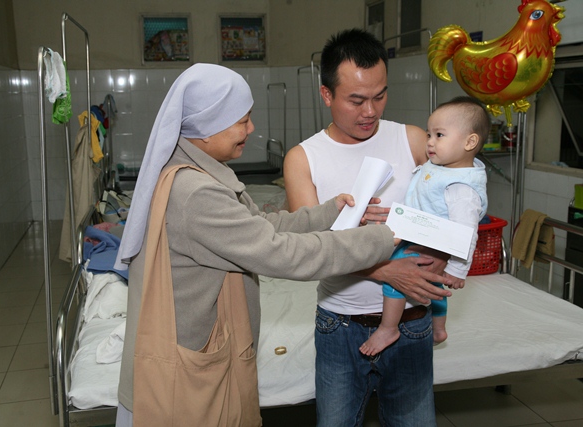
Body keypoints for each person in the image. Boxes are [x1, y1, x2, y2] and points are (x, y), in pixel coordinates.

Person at [113, 63, 400, 427]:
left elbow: (260, 227)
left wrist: (328, 213)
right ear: (206, 127)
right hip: (187, 371)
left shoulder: (199, 172)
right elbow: (280, 253)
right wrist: (378, 239)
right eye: (242, 120)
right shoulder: (196, 193)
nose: (251, 129)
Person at [283, 29, 452, 426]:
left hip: (412, 322)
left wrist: (444, 254)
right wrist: (387, 271)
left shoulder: (413, 141)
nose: (370, 111)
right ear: (327, 95)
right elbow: (309, 249)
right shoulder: (304, 158)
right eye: (357, 100)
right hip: (341, 325)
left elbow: (452, 206)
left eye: (380, 96)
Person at [359, 96, 489, 357]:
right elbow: (423, 201)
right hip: (419, 234)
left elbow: (466, 233)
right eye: (429, 134)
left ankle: (388, 328)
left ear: (469, 142)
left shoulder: (461, 187)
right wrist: (397, 217)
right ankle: (438, 328)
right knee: (432, 284)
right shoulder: (443, 167)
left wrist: (457, 269)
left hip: (430, 242)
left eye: (439, 135)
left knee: (397, 276)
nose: (429, 141)